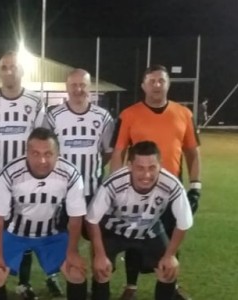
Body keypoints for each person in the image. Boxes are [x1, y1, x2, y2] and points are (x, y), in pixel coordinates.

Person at [110, 65, 201, 300]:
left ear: (168, 84)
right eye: (151, 81)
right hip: (137, 188)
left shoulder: (184, 113)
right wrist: (117, 186)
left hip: (171, 189)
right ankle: (131, 286)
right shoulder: (129, 114)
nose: (157, 85)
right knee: (134, 234)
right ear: (143, 85)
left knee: (171, 237)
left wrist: (196, 186)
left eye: (161, 80)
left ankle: (171, 284)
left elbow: (192, 152)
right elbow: (119, 151)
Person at [0, 127, 88, 300]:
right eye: (35, 153)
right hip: (14, 233)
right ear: (27, 153)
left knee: (76, 273)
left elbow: (75, 219)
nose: (42, 160)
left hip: (51, 235)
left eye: (48, 154)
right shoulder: (10, 173)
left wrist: (72, 251)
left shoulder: (70, 174)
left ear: (58, 154)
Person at [0, 50, 47, 299]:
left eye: (13, 67)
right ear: (0, 71)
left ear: (22, 70)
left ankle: (23, 284)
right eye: (4, 67)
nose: (9, 71)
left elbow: (40, 142)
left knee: (26, 230)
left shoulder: (36, 102)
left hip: (26, 181)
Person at [87, 141, 194, 300]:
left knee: (168, 271)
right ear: (130, 166)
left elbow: (184, 222)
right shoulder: (113, 183)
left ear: (160, 165)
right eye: (140, 168)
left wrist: (170, 255)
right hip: (114, 230)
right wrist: (100, 255)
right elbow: (92, 219)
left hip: (149, 229)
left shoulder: (172, 185)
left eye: (152, 167)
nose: (146, 175)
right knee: (101, 271)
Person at [44, 68, 114, 235]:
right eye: (73, 85)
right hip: (61, 190)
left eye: (82, 85)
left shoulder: (103, 117)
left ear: (89, 87)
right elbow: (47, 152)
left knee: (95, 237)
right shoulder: (53, 116)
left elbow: (108, 151)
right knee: (60, 237)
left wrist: (95, 166)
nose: (78, 89)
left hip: (92, 190)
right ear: (67, 87)